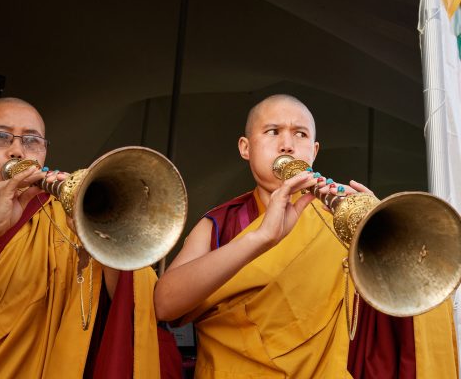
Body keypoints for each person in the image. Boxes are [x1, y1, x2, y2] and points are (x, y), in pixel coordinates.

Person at [154, 94, 457, 378]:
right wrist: (259, 239)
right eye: (272, 131)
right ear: (246, 147)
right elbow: (164, 305)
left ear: (313, 151)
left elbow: (410, 296)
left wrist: (380, 233)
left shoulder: (339, 220)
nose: (287, 145)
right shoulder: (222, 223)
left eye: (300, 134)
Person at [0, 97, 180, 378]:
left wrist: (94, 234)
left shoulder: (61, 221)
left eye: (32, 141)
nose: (17, 151)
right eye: (0, 136)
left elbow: (131, 305)